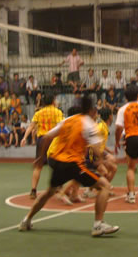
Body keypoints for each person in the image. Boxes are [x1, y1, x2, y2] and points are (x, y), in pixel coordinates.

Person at [19, 97, 120, 237]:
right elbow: (96, 149)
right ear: (92, 110)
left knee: (49, 192)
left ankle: (26, 220)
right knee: (105, 186)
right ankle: (98, 225)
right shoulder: (89, 124)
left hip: (57, 161)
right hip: (73, 163)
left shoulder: (68, 120)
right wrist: (101, 161)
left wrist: (41, 158)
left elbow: (46, 138)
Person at [20, 94, 64, 199]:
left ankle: (33, 191)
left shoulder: (38, 113)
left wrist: (24, 138)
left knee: (38, 166)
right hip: (54, 140)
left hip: (42, 140)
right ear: (53, 101)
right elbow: (61, 126)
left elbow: (31, 126)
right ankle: (58, 188)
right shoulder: (58, 112)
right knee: (58, 165)